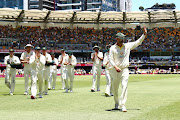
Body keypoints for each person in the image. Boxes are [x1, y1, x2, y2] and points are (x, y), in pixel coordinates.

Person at [109, 26, 147, 112]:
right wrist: (115, 67)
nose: (123, 39)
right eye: (121, 38)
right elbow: (110, 59)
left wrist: (144, 35)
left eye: (123, 38)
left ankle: (123, 105)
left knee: (124, 86)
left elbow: (138, 42)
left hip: (125, 69)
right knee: (115, 88)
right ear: (117, 39)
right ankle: (116, 102)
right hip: (115, 70)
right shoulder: (112, 48)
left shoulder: (127, 46)